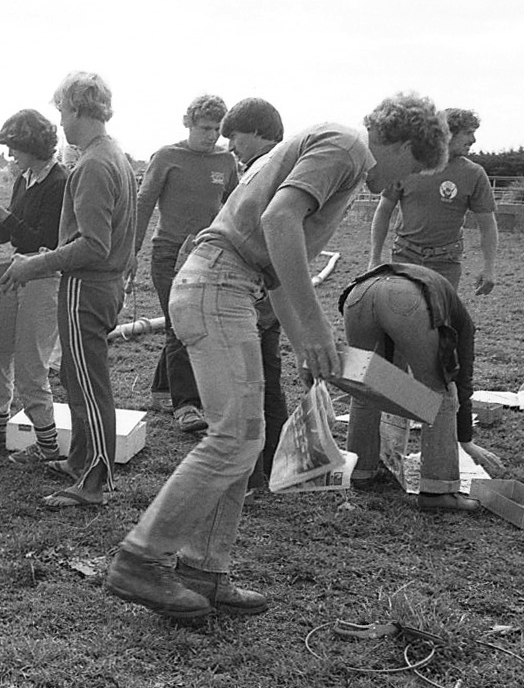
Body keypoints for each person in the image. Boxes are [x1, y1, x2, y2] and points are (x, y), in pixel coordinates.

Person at [104, 92, 449, 620]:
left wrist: (308, 340)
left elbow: (278, 266)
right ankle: (140, 559)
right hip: (219, 281)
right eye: (414, 169)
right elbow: (279, 222)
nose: (404, 186)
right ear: (402, 144)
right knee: (234, 436)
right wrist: (313, 329)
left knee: (244, 437)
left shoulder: (342, 156)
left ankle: (203, 570)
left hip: (231, 282)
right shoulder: (347, 147)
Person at [0, 72, 135, 510]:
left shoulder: (93, 164)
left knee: (88, 384)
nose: (60, 122)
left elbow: (93, 244)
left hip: (86, 287)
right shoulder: (114, 156)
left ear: (77, 109)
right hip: (104, 284)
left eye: (62, 111)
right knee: (78, 378)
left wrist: (34, 263)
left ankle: (93, 479)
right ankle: (81, 461)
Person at [342, 263, 505, 512]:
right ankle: (438, 491)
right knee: (439, 394)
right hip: (404, 299)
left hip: (358, 293)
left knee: (366, 383)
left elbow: (388, 368)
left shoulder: (432, 293)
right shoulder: (463, 323)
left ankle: (361, 471)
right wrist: (466, 440)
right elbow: (461, 380)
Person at [135, 95, 240, 435]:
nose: (211, 136)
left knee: (181, 323)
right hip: (168, 252)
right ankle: (186, 404)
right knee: (182, 323)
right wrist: (130, 253)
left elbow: (235, 206)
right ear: (188, 123)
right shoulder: (167, 157)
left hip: (205, 253)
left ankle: (162, 390)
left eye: (217, 130)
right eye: (205, 128)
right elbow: (144, 204)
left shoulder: (226, 161)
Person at [0, 110, 67, 463]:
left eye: (14, 149)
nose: (10, 156)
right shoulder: (26, 180)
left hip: (43, 277)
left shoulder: (59, 183)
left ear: (32, 146)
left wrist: (3, 215)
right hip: (17, 272)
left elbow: (46, 240)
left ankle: (47, 444)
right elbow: (9, 233)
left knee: (30, 366)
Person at [219, 99, 289, 492]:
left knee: (253, 385)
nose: (231, 145)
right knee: (265, 380)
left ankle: (255, 472)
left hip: (257, 292)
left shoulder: (269, 171)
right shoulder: (265, 168)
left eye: (236, 136)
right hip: (265, 292)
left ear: (261, 132)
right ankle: (264, 471)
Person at [368, 107, 498, 293]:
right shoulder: (409, 164)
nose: (473, 140)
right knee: (402, 313)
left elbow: (487, 224)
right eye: (468, 133)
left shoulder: (474, 174)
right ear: (448, 133)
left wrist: (489, 268)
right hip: (405, 256)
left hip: (446, 262)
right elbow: (384, 210)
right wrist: (375, 258)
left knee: (440, 317)